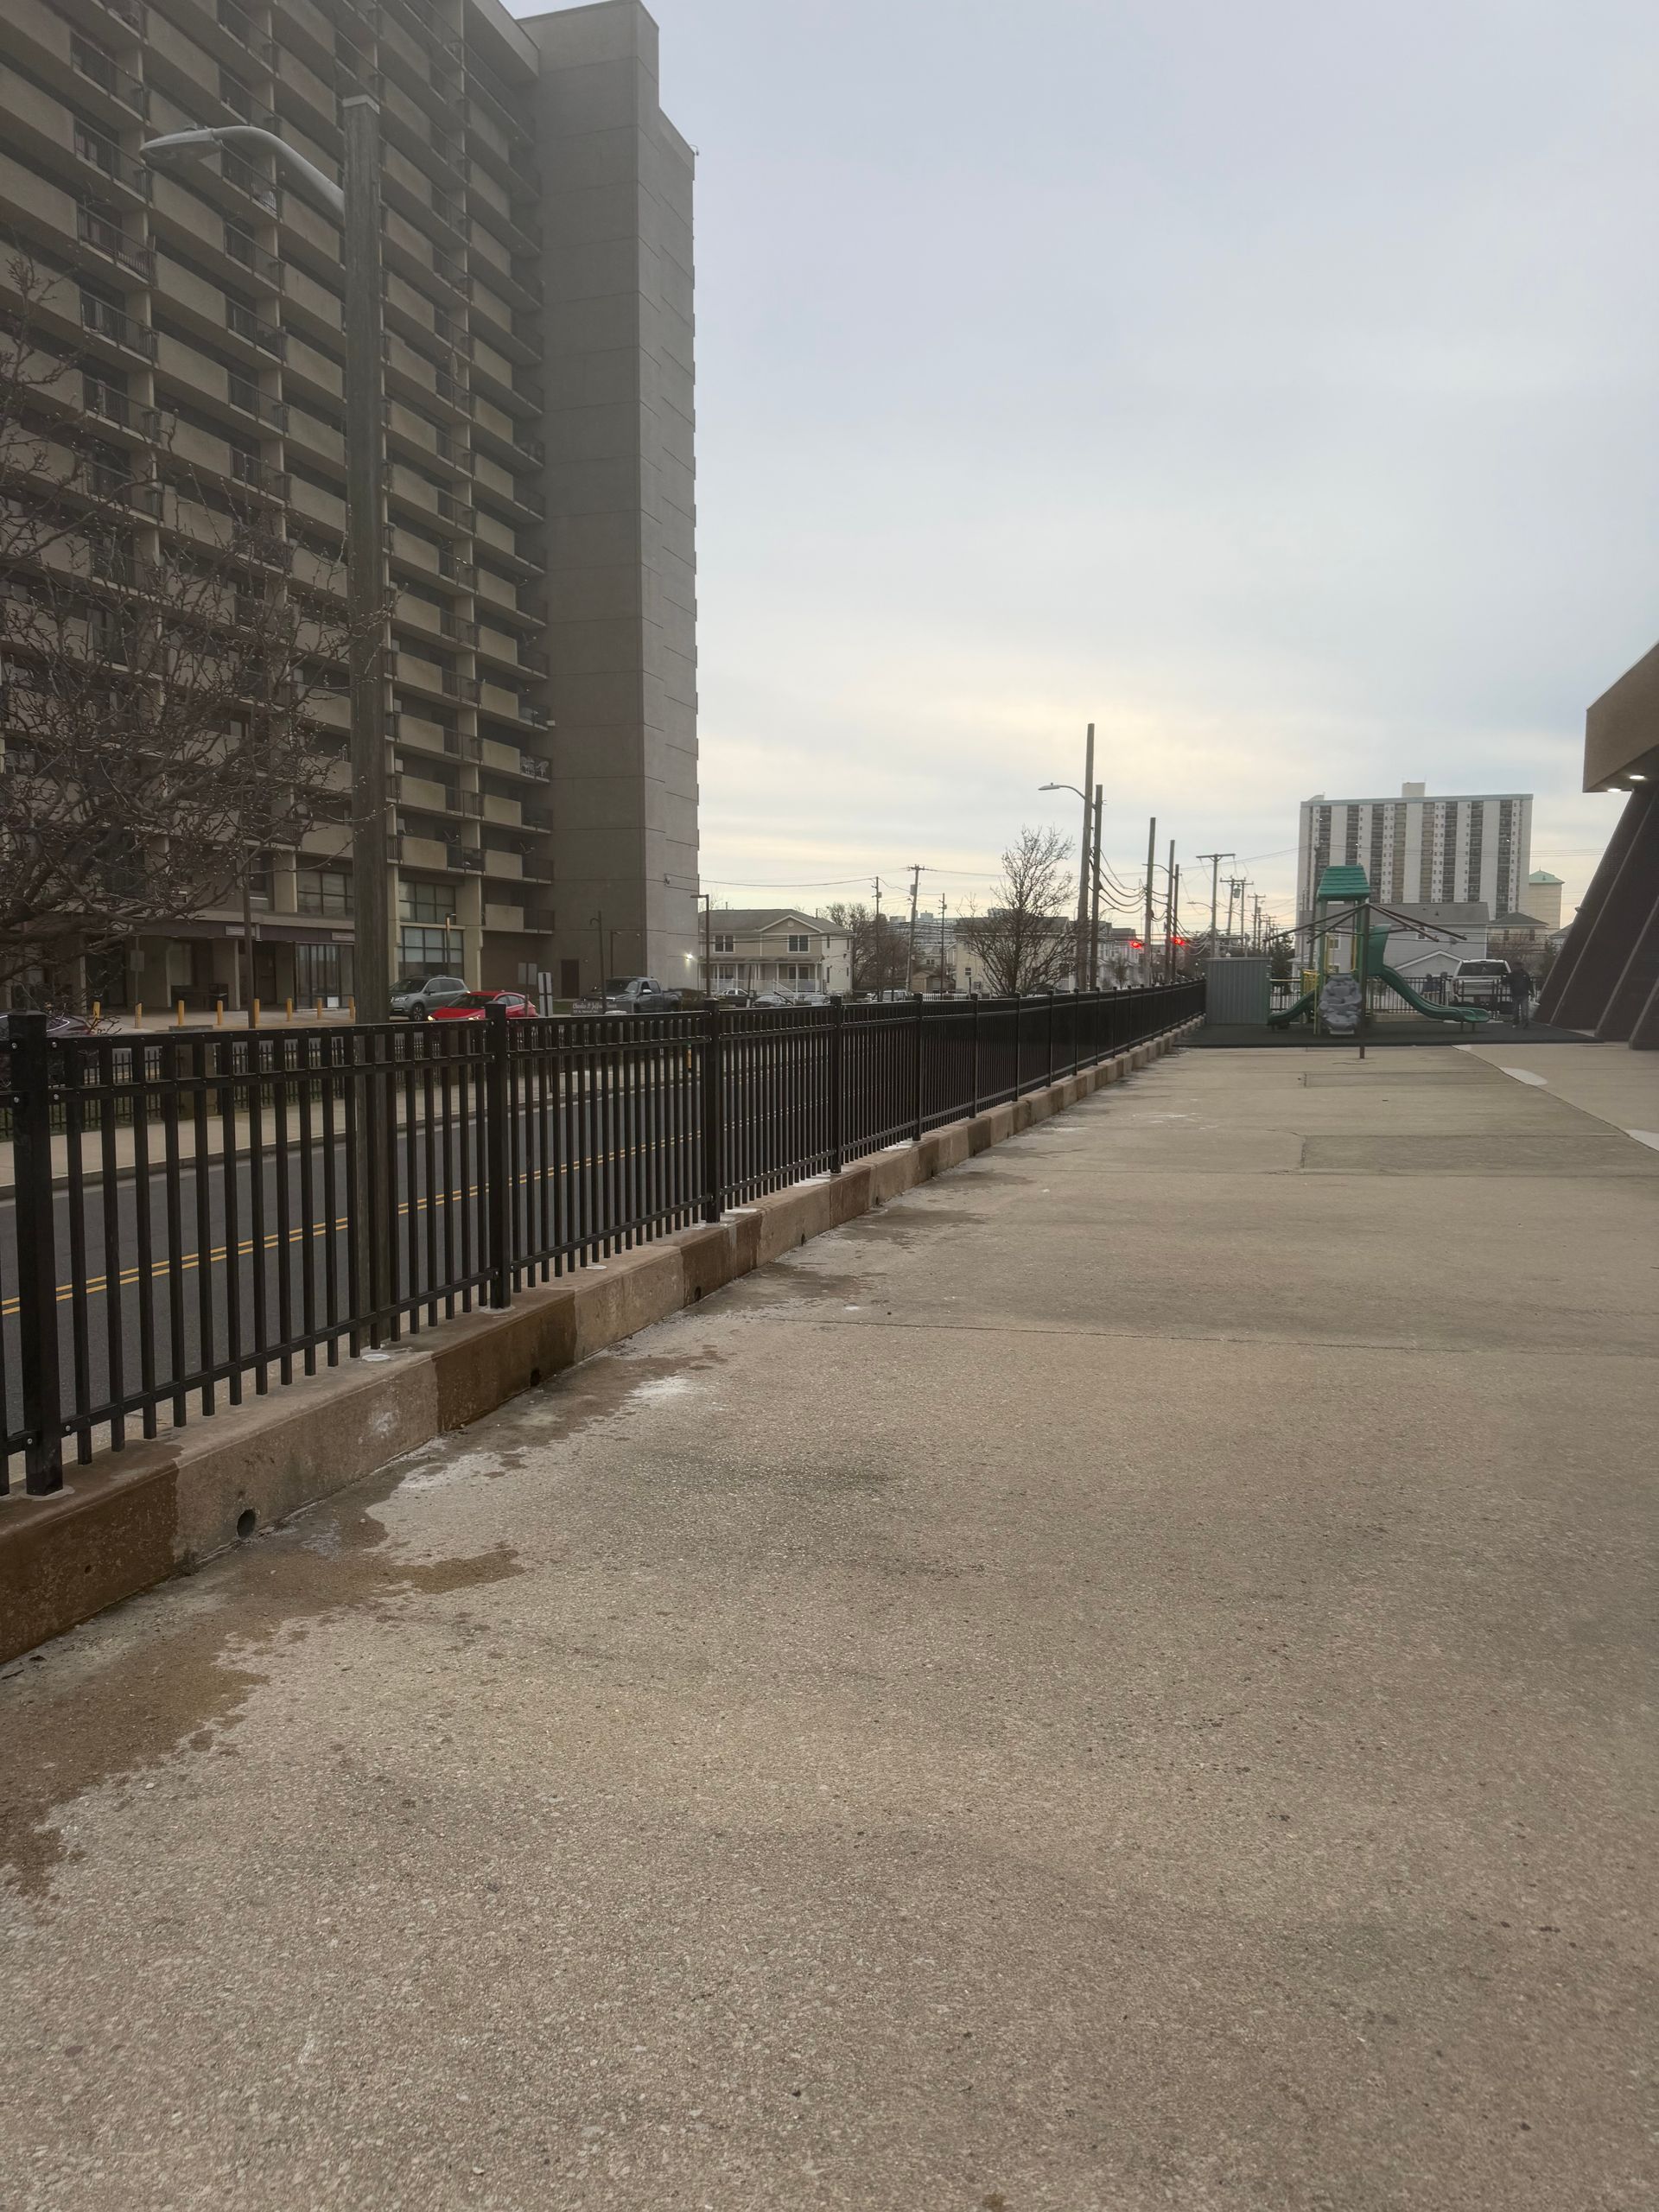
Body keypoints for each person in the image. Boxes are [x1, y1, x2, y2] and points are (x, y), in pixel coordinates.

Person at [1507, 960, 1535, 1029]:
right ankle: (1516, 1022)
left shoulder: (1524, 974)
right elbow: (1505, 981)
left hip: (1523, 994)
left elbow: (1529, 984)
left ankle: (1524, 1022)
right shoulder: (1513, 975)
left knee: (1524, 1010)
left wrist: (1532, 992)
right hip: (1516, 994)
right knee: (1516, 1010)